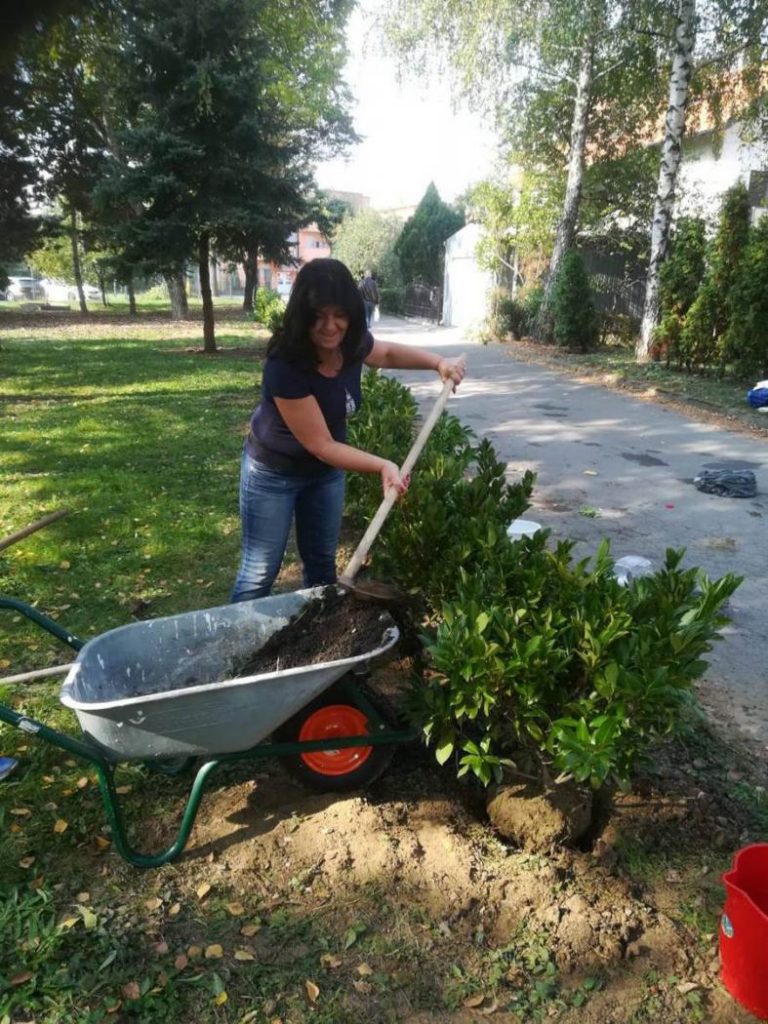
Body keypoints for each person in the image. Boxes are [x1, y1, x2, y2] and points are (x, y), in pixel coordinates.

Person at [231, 258, 465, 603]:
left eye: (339, 314)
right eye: (319, 316)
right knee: (259, 573)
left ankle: (318, 633)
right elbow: (322, 445)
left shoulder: (351, 343)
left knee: (321, 566)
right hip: (274, 473)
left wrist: (438, 363)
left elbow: (386, 354)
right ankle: (237, 637)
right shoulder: (285, 365)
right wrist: (383, 465)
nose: (330, 326)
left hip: (325, 474)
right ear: (302, 315)